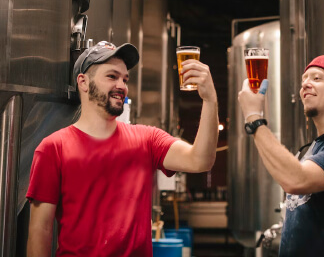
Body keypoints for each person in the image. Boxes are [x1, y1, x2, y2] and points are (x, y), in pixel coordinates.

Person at [26, 41, 219, 257]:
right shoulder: (53, 149)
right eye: (112, 76)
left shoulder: (147, 139)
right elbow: (40, 231)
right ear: (83, 82)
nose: (122, 85)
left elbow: (201, 160)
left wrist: (210, 100)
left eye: (125, 79)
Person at [238, 55, 324, 257]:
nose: (305, 84)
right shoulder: (313, 147)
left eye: (316, 78)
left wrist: (254, 118)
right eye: (303, 80)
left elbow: (296, 180)